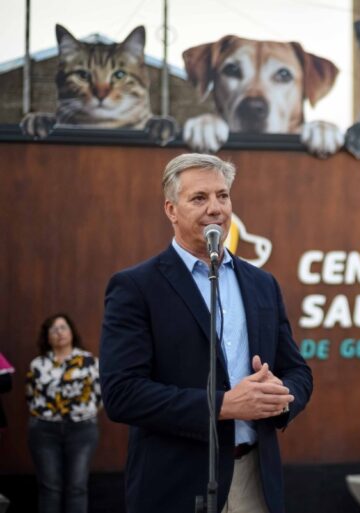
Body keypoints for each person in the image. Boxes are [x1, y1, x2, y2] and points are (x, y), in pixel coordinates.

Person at [99, 153, 312, 513]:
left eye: (223, 196)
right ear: (171, 209)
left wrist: (279, 395)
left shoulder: (262, 284)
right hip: (176, 483)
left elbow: (299, 372)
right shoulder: (136, 287)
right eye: (199, 198)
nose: (215, 208)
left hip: (254, 480)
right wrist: (224, 405)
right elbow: (122, 393)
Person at [25, 314, 101, 513]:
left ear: (71, 332)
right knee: (49, 487)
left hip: (82, 430)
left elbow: (100, 396)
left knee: (77, 486)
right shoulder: (37, 365)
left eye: (63, 327)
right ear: (47, 337)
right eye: (53, 329)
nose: (59, 333)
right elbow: (30, 396)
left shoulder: (89, 362)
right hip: (44, 430)